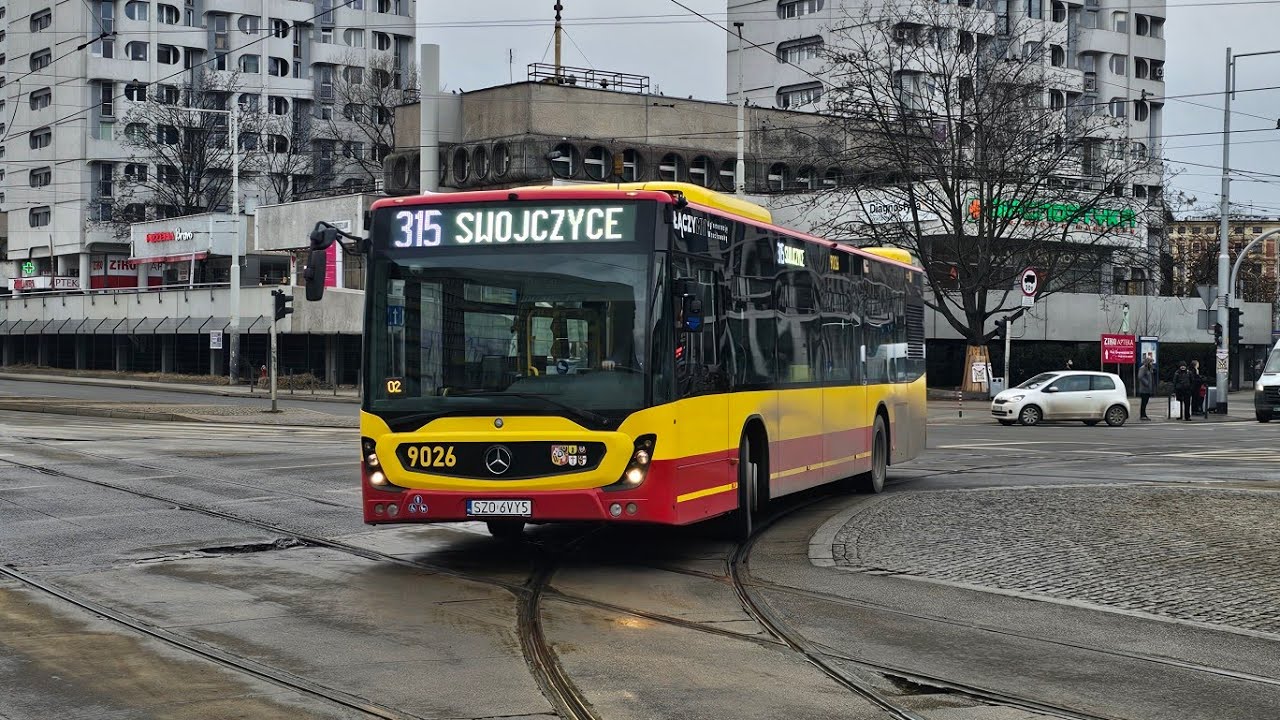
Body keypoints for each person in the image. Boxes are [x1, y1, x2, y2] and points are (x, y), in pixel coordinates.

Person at [1137, 355, 1155, 421]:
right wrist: (1146, 383)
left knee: (1145, 402)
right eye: (1151, 362)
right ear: (1148, 362)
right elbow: (1140, 376)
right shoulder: (1143, 368)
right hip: (1144, 389)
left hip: (1147, 389)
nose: (1152, 363)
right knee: (1144, 402)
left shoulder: (1149, 369)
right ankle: (1142, 415)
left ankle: (1144, 415)